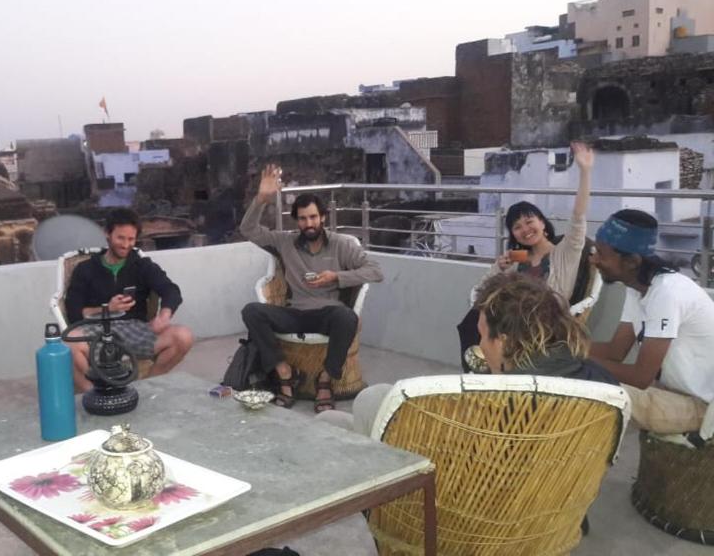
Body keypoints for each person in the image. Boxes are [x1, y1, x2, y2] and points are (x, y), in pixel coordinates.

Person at [321, 272, 616, 437]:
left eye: (481, 334)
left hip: (467, 498)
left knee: (347, 415)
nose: (479, 344)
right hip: (547, 497)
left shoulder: (495, 405)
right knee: (358, 411)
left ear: (502, 341)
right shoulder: (604, 388)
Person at [240, 164, 384, 413]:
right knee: (252, 311)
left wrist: (336, 277)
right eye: (304, 218)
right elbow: (248, 230)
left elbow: (375, 271)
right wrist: (262, 199)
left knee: (347, 317)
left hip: (327, 313)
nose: (309, 223)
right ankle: (285, 372)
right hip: (295, 313)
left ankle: (325, 379)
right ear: (296, 220)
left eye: (314, 217)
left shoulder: (341, 245)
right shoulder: (284, 243)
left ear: (323, 217)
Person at [458, 141, 596, 370]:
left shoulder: (565, 252)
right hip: (511, 319)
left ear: (542, 223)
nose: (525, 229)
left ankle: (486, 371)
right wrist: (499, 269)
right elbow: (482, 291)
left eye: (529, 222)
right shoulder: (518, 257)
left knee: (481, 326)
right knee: (471, 321)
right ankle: (481, 371)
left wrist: (585, 171)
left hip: (542, 322)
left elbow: (579, 215)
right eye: (517, 227)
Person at [589, 209, 714, 436]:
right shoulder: (637, 289)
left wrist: (576, 361)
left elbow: (640, 377)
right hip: (673, 392)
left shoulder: (667, 293)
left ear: (631, 262)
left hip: (703, 406)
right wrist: (563, 348)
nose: (594, 259)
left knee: (591, 390)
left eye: (601, 254)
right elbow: (614, 351)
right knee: (579, 378)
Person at [63, 208, 194, 393]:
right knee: (67, 347)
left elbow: (171, 291)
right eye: (120, 238)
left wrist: (163, 316)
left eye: (131, 239)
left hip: (135, 329)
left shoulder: (142, 265)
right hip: (97, 329)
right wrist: (106, 309)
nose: (126, 245)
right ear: (107, 234)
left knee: (183, 336)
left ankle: (146, 388)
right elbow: (73, 312)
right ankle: (97, 392)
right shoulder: (85, 269)